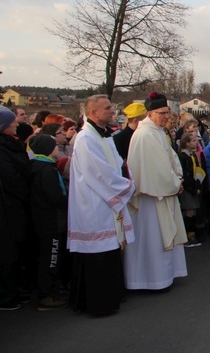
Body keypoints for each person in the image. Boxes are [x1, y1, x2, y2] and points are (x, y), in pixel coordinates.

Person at [67, 95, 135, 315]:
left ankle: (112, 296)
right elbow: (99, 173)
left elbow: (117, 164)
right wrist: (127, 187)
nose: (112, 111)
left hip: (106, 200)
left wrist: (126, 176)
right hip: (95, 202)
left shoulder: (104, 136)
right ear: (93, 113)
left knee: (110, 253)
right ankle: (98, 303)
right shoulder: (86, 138)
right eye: (107, 108)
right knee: (98, 255)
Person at [125, 92, 187, 290]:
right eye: (162, 113)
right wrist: (175, 183)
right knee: (152, 238)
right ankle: (151, 280)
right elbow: (156, 171)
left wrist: (177, 177)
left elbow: (171, 160)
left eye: (168, 112)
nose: (167, 117)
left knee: (162, 237)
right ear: (150, 114)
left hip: (163, 193)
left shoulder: (158, 132)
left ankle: (165, 276)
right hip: (151, 198)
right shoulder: (145, 135)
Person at [28, 134, 69, 311]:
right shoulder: (47, 170)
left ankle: (50, 290)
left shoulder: (36, 166)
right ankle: (47, 295)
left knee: (46, 256)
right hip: (50, 221)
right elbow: (55, 197)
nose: (57, 148)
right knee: (51, 258)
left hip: (42, 220)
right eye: (54, 146)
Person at [0, 106, 32, 310]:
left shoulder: (12, 144)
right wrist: (27, 191)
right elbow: (10, 178)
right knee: (7, 251)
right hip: (8, 206)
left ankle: (17, 288)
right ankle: (6, 294)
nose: (16, 124)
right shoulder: (3, 148)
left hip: (17, 204)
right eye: (12, 121)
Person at [178, 132, 203, 248]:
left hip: (193, 187)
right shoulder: (183, 156)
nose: (196, 142)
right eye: (193, 140)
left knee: (193, 212)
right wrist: (192, 188)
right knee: (188, 211)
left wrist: (198, 186)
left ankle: (191, 234)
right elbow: (185, 175)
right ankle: (186, 236)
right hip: (188, 189)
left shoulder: (192, 155)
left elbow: (197, 171)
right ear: (187, 143)